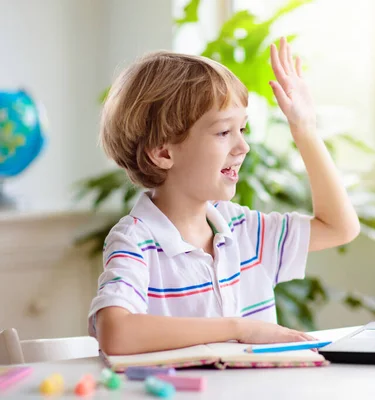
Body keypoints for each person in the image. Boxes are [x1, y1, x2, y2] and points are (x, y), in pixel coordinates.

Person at [89, 37, 360, 355]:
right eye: (222, 132)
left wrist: (305, 129)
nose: (242, 147)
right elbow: (115, 333)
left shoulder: (242, 230)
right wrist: (240, 328)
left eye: (242, 130)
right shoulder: (136, 241)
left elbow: (339, 227)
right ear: (163, 152)